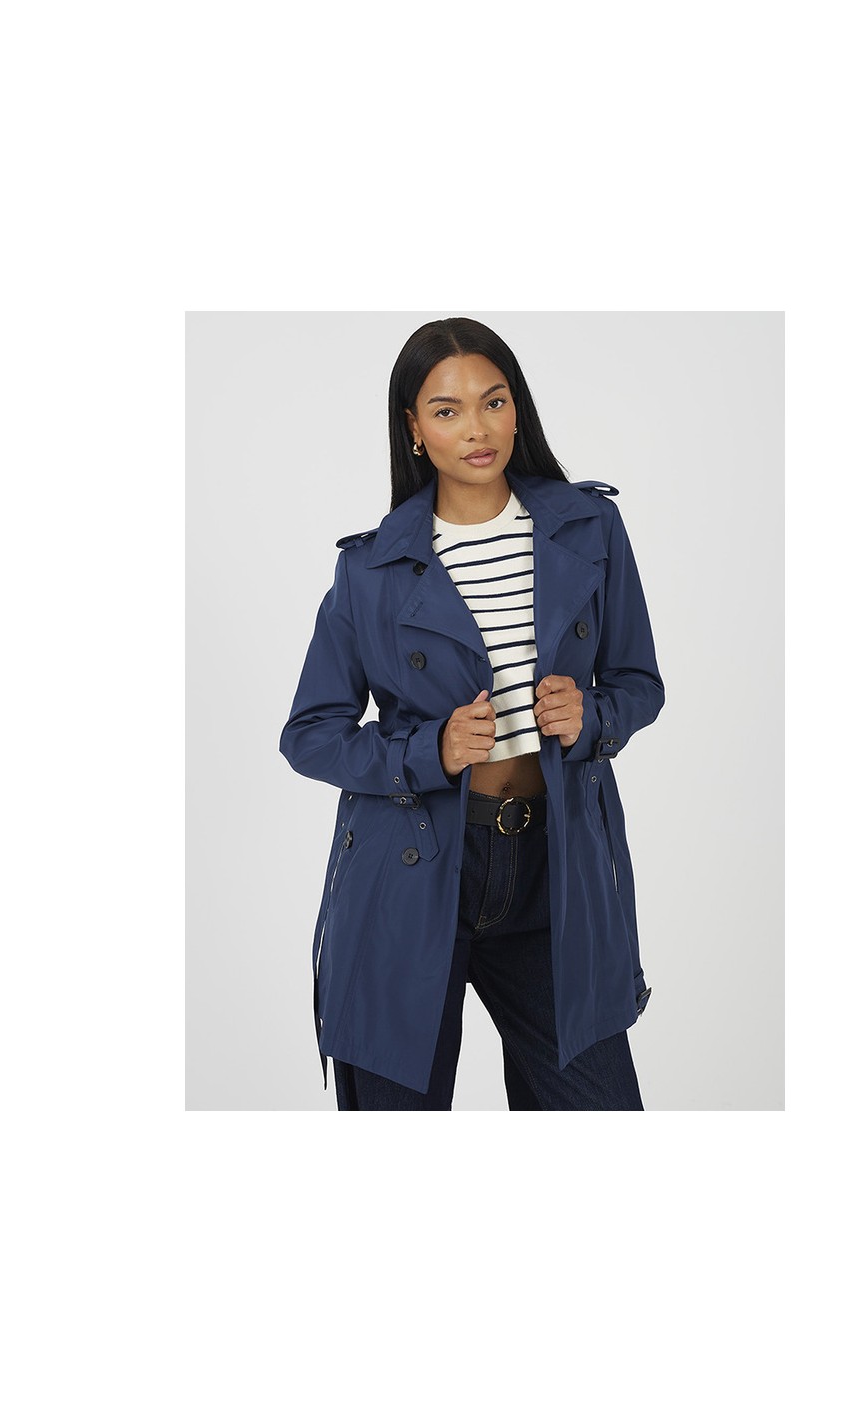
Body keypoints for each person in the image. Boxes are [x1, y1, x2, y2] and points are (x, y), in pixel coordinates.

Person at [279, 317, 664, 1110]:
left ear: (517, 409)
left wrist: (592, 716)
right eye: (447, 410)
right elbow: (310, 735)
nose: (477, 429)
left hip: (555, 863)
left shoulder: (588, 527)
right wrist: (431, 751)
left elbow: (638, 681)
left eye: (493, 401)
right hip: (411, 872)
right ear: (414, 430)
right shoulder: (371, 569)